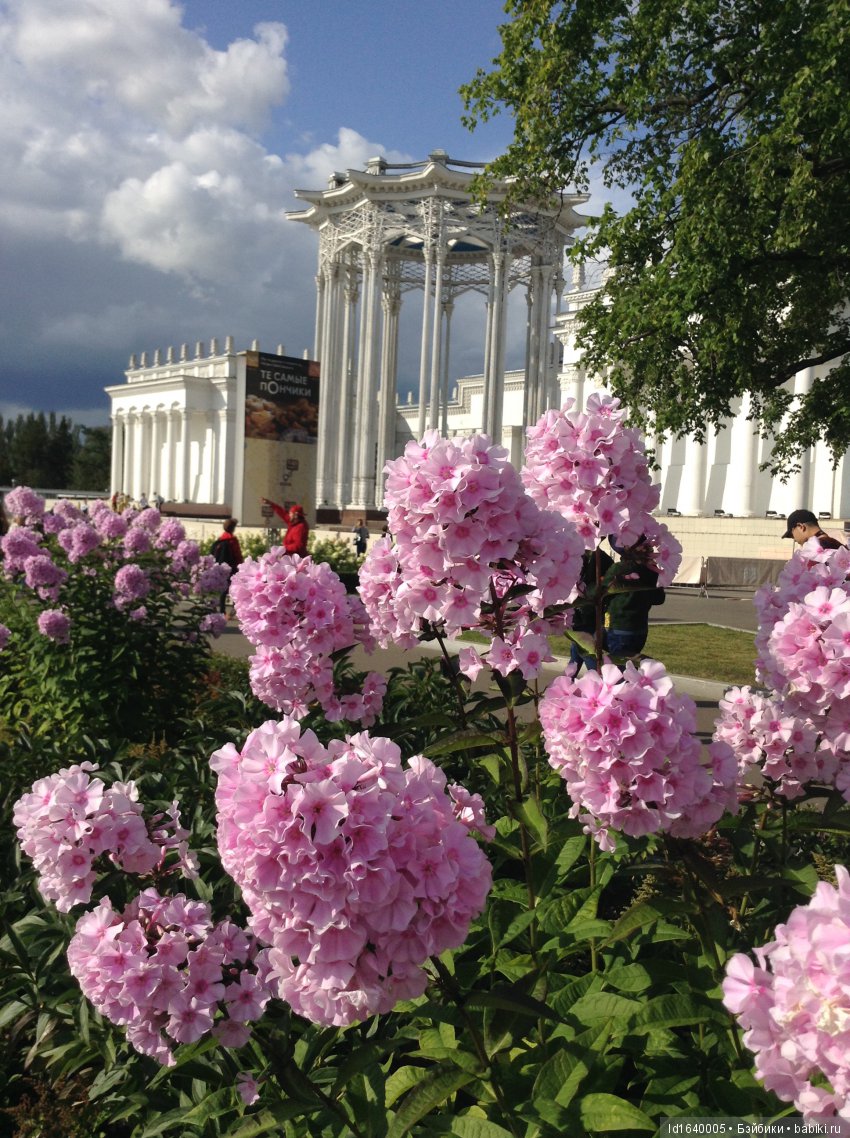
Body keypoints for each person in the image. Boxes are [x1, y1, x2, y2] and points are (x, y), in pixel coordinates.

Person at [603, 537, 665, 659]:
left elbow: (602, 594)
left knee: (618, 664)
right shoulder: (651, 570)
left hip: (618, 626)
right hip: (640, 629)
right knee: (631, 665)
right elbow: (659, 599)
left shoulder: (618, 568)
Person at [569, 547, 613, 674]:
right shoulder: (578, 556)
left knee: (586, 651)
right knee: (578, 649)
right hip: (580, 615)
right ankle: (568, 679)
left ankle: (596, 678)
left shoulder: (600, 558)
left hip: (588, 615)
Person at [212, 517, 244, 614]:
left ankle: (222, 611)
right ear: (233, 528)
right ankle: (235, 609)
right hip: (232, 567)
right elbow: (237, 554)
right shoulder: (232, 540)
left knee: (223, 590)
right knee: (236, 587)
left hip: (221, 568)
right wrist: (240, 566)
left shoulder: (220, 539)